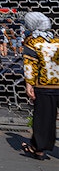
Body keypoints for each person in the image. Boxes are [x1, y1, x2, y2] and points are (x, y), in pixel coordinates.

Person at [22, 12, 59, 160]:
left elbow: (30, 64)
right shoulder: (56, 39)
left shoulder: (32, 41)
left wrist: (29, 84)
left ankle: (39, 150)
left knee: (44, 118)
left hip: (43, 86)